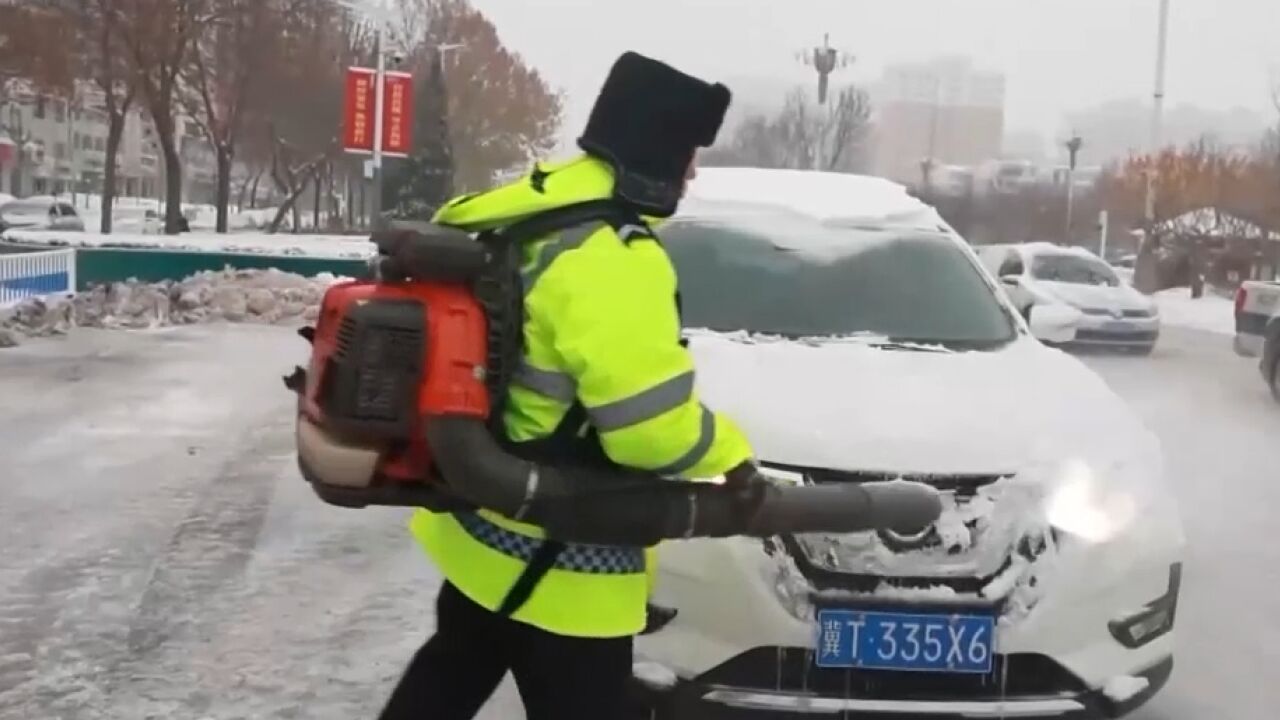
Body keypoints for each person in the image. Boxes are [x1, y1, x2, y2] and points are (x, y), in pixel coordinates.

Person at [375, 51, 759, 720]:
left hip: (487, 532)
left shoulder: (525, 211)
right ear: (657, 152)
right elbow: (649, 430)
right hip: (568, 560)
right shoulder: (610, 256)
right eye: (689, 153)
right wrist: (731, 455)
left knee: (445, 681)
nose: (693, 171)